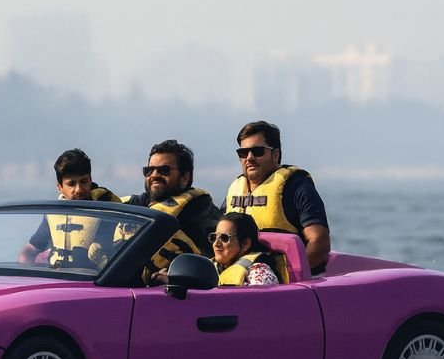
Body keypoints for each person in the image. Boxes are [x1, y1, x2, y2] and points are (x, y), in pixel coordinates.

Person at [222, 120, 331, 274]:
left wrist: (292, 278)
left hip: (284, 282)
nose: (250, 158)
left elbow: (319, 242)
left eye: (258, 151)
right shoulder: (235, 190)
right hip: (241, 279)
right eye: (243, 153)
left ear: (275, 154)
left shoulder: (296, 187)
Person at [123, 139, 221, 283]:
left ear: (184, 177)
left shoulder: (200, 209)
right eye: (149, 170)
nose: (154, 175)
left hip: (174, 295)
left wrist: (175, 277)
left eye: (164, 170)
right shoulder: (135, 205)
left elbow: (219, 255)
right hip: (119, 287)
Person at [18, 148, 121, 269]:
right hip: (58, 280)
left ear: (90, 180)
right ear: (60, 187)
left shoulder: (108, 209)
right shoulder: (54, 216)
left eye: (84, 181)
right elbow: (29, 251)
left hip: (96, 281)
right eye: (71, 184)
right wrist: (26, 273)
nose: (79, 189)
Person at [212, 213, 283, 286]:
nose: (216, 244)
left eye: (224, 238)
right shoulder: (208, 268)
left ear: (245, 244)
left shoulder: (259, 274)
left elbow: (266, 297)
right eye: (214, 237)